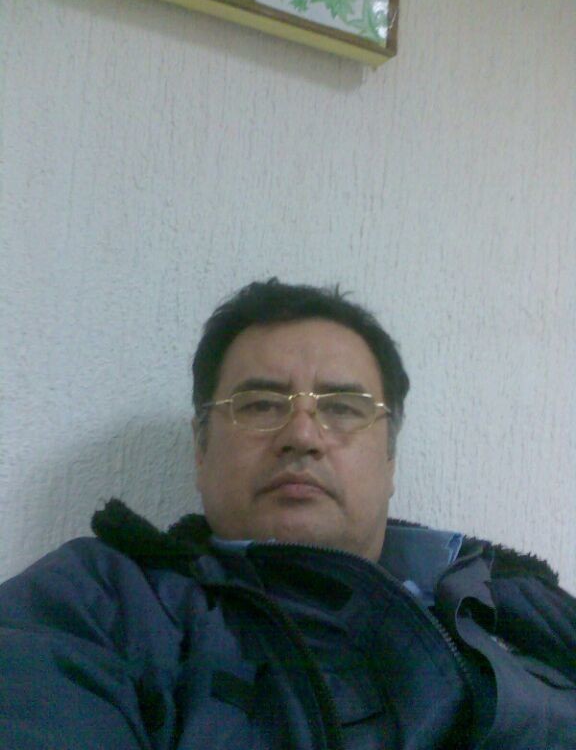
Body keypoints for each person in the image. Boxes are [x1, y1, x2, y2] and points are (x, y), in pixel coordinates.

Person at [0, 278, 574, 750]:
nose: (302, 435)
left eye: (343, 408)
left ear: (390, 458)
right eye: (259, 404)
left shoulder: (523, 605)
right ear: (200, 450)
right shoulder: (93, 604)